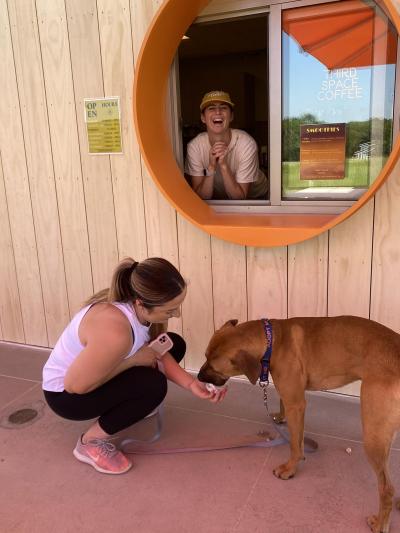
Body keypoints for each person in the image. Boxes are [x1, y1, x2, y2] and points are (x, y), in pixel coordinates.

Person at [42, 257, 226, 475]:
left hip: (90, 378)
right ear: (141, 303)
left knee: (173, 344)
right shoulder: (115, 331)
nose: (176, 314)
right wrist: (134, 361)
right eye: (170, 310)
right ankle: (89, 442)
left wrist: (192, 384)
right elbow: (76, 386)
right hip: (65, 397)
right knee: (153, 385)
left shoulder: (140, 310)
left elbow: (155, 350)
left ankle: (133, 405)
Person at [185, 90, 268, 200]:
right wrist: (211, 167)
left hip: (258, 198)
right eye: (211, 108)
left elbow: (240, 198)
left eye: (223, 107)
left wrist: (224, 166)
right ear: (203, 118)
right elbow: (201, 197)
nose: (218, 112)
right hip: (220, 201)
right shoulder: (195, 146)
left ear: (231, 116)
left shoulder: (246, 143)